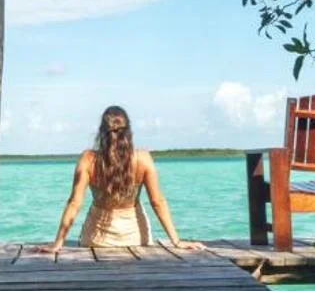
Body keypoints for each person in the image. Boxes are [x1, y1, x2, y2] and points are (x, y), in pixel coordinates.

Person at [44, 106, 200, 253]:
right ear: (128, 132)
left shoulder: (88, 160)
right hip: (136, 238)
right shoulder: (143, 159)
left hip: (96, 240)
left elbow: (74, 203)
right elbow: (157, 202)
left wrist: (58, 243)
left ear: (101, 132)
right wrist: (177, 241)